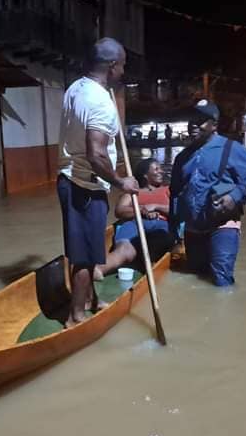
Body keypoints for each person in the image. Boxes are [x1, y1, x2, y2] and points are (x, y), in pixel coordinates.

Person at [57, 37, 140, 327]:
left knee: (87, 249)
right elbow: (96, 154)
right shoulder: (100, 102)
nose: (123, 71)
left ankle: (91, 300)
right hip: (86, 186)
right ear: (113, 65)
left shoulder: (76, 88)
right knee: (84, 256)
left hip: (69, 179)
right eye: (123, 66)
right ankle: (76, 317)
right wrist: (121, 182)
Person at [169, 100, 246, 286]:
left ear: (215, 125)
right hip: (192, 229)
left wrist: (234, 196)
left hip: (222, 225)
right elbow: (175, 193)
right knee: (194, 278)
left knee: (222, 281)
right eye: (192, 119)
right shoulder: (182, 157)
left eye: (201, 120)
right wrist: (174, 228)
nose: (194, 124)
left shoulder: (232, 149)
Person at [94, 159, 174, 280]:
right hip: (134, 223)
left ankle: (148, 263)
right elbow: (120, 211)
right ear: (145, 175)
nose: (161, 171)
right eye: (156, 169)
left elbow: (177, 211)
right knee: (125, 249)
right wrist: (141, 211)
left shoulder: (167, 190)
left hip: (161, 225)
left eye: (160, 168)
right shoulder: (133, 192)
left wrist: (156, 207)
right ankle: (99, 269)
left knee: (157, 242)